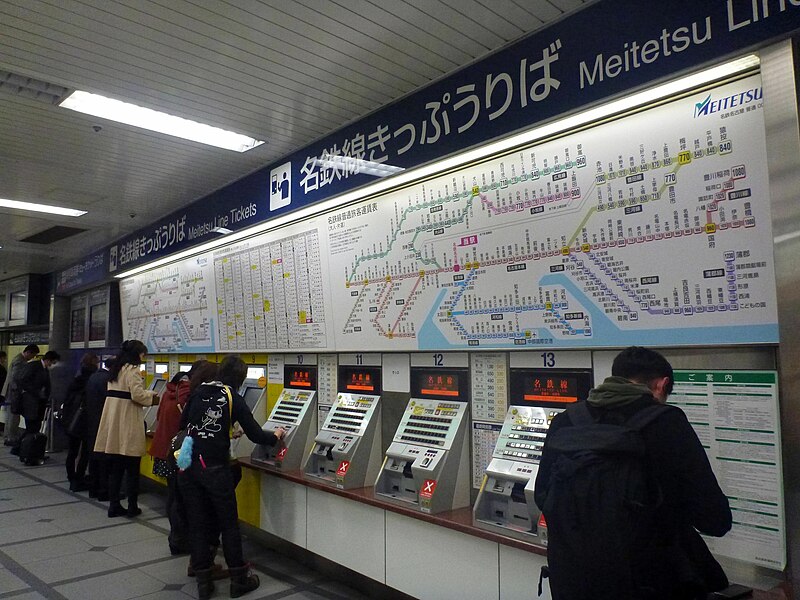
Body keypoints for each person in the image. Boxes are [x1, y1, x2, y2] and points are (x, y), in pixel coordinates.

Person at [534, 346, 732, 600]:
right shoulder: (667, 423)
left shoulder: (566, 420)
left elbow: (543, 496)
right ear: (661, 385)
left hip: (574, 583)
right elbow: (714, 519)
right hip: (649, 585)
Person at [178, 354, 285, 600]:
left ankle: (204, 583)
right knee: (228, 524)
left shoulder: (199, 392)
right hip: (215, 470)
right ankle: (239, 580)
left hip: (190, 468)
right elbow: (257, 434)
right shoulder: (231, 397)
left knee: (199, 523)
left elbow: (185, 424)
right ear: (240, 378)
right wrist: (276, 435)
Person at [149, 360, 218, 556]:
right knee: (182, 499)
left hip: (165, 449)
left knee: (174, 496)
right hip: (181, 454)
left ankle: (176, 538)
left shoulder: (170, 389)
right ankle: (181, 540)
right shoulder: (190, 394)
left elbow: (161, 416)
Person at [94, 341, 159, 518]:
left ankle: (114, 505)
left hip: (114, 422)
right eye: (143, 354)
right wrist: (153, 396)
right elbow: (137, 395)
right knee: (132, 469)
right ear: (137, 354)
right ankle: (132, 506)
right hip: (127, 421)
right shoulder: (133, 371)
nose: (143, 358)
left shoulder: (116, 369)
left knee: (116, 469)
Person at [62, 352, 99, 491]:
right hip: (85, 422)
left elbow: (67, 401)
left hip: (72, 421)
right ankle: (78, 479)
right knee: (84, 453)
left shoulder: (76, 379)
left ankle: (71, 477)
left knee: (72, 452)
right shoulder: (93, 380)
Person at [16, 350, 60, 459]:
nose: (52, 365)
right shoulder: (33, 366)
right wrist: (36, 392)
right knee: (31, 428)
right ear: (48, 360)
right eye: (52, 362)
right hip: (31, 404)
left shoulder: (44, 369)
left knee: (35, 428)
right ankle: (24, 451)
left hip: (39, 404)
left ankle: (31, 451)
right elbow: (22, 380)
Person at [86, 356, 114, 500]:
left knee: (94, 458)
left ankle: (93, 489)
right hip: (102, 423)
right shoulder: (107, 380)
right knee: (104, 459)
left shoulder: (94, 377)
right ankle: (103, 491)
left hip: (92, 422)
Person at [3, 344, 39, 446]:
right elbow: (16, 378)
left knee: (10, 416)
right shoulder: (20, 361)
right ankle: (11, 438)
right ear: (28, 352)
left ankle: (8, 436)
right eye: (33, 355)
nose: (32, 358)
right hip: (14, 393)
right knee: (13, 417)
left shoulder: (18, 359)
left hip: (12, 392)